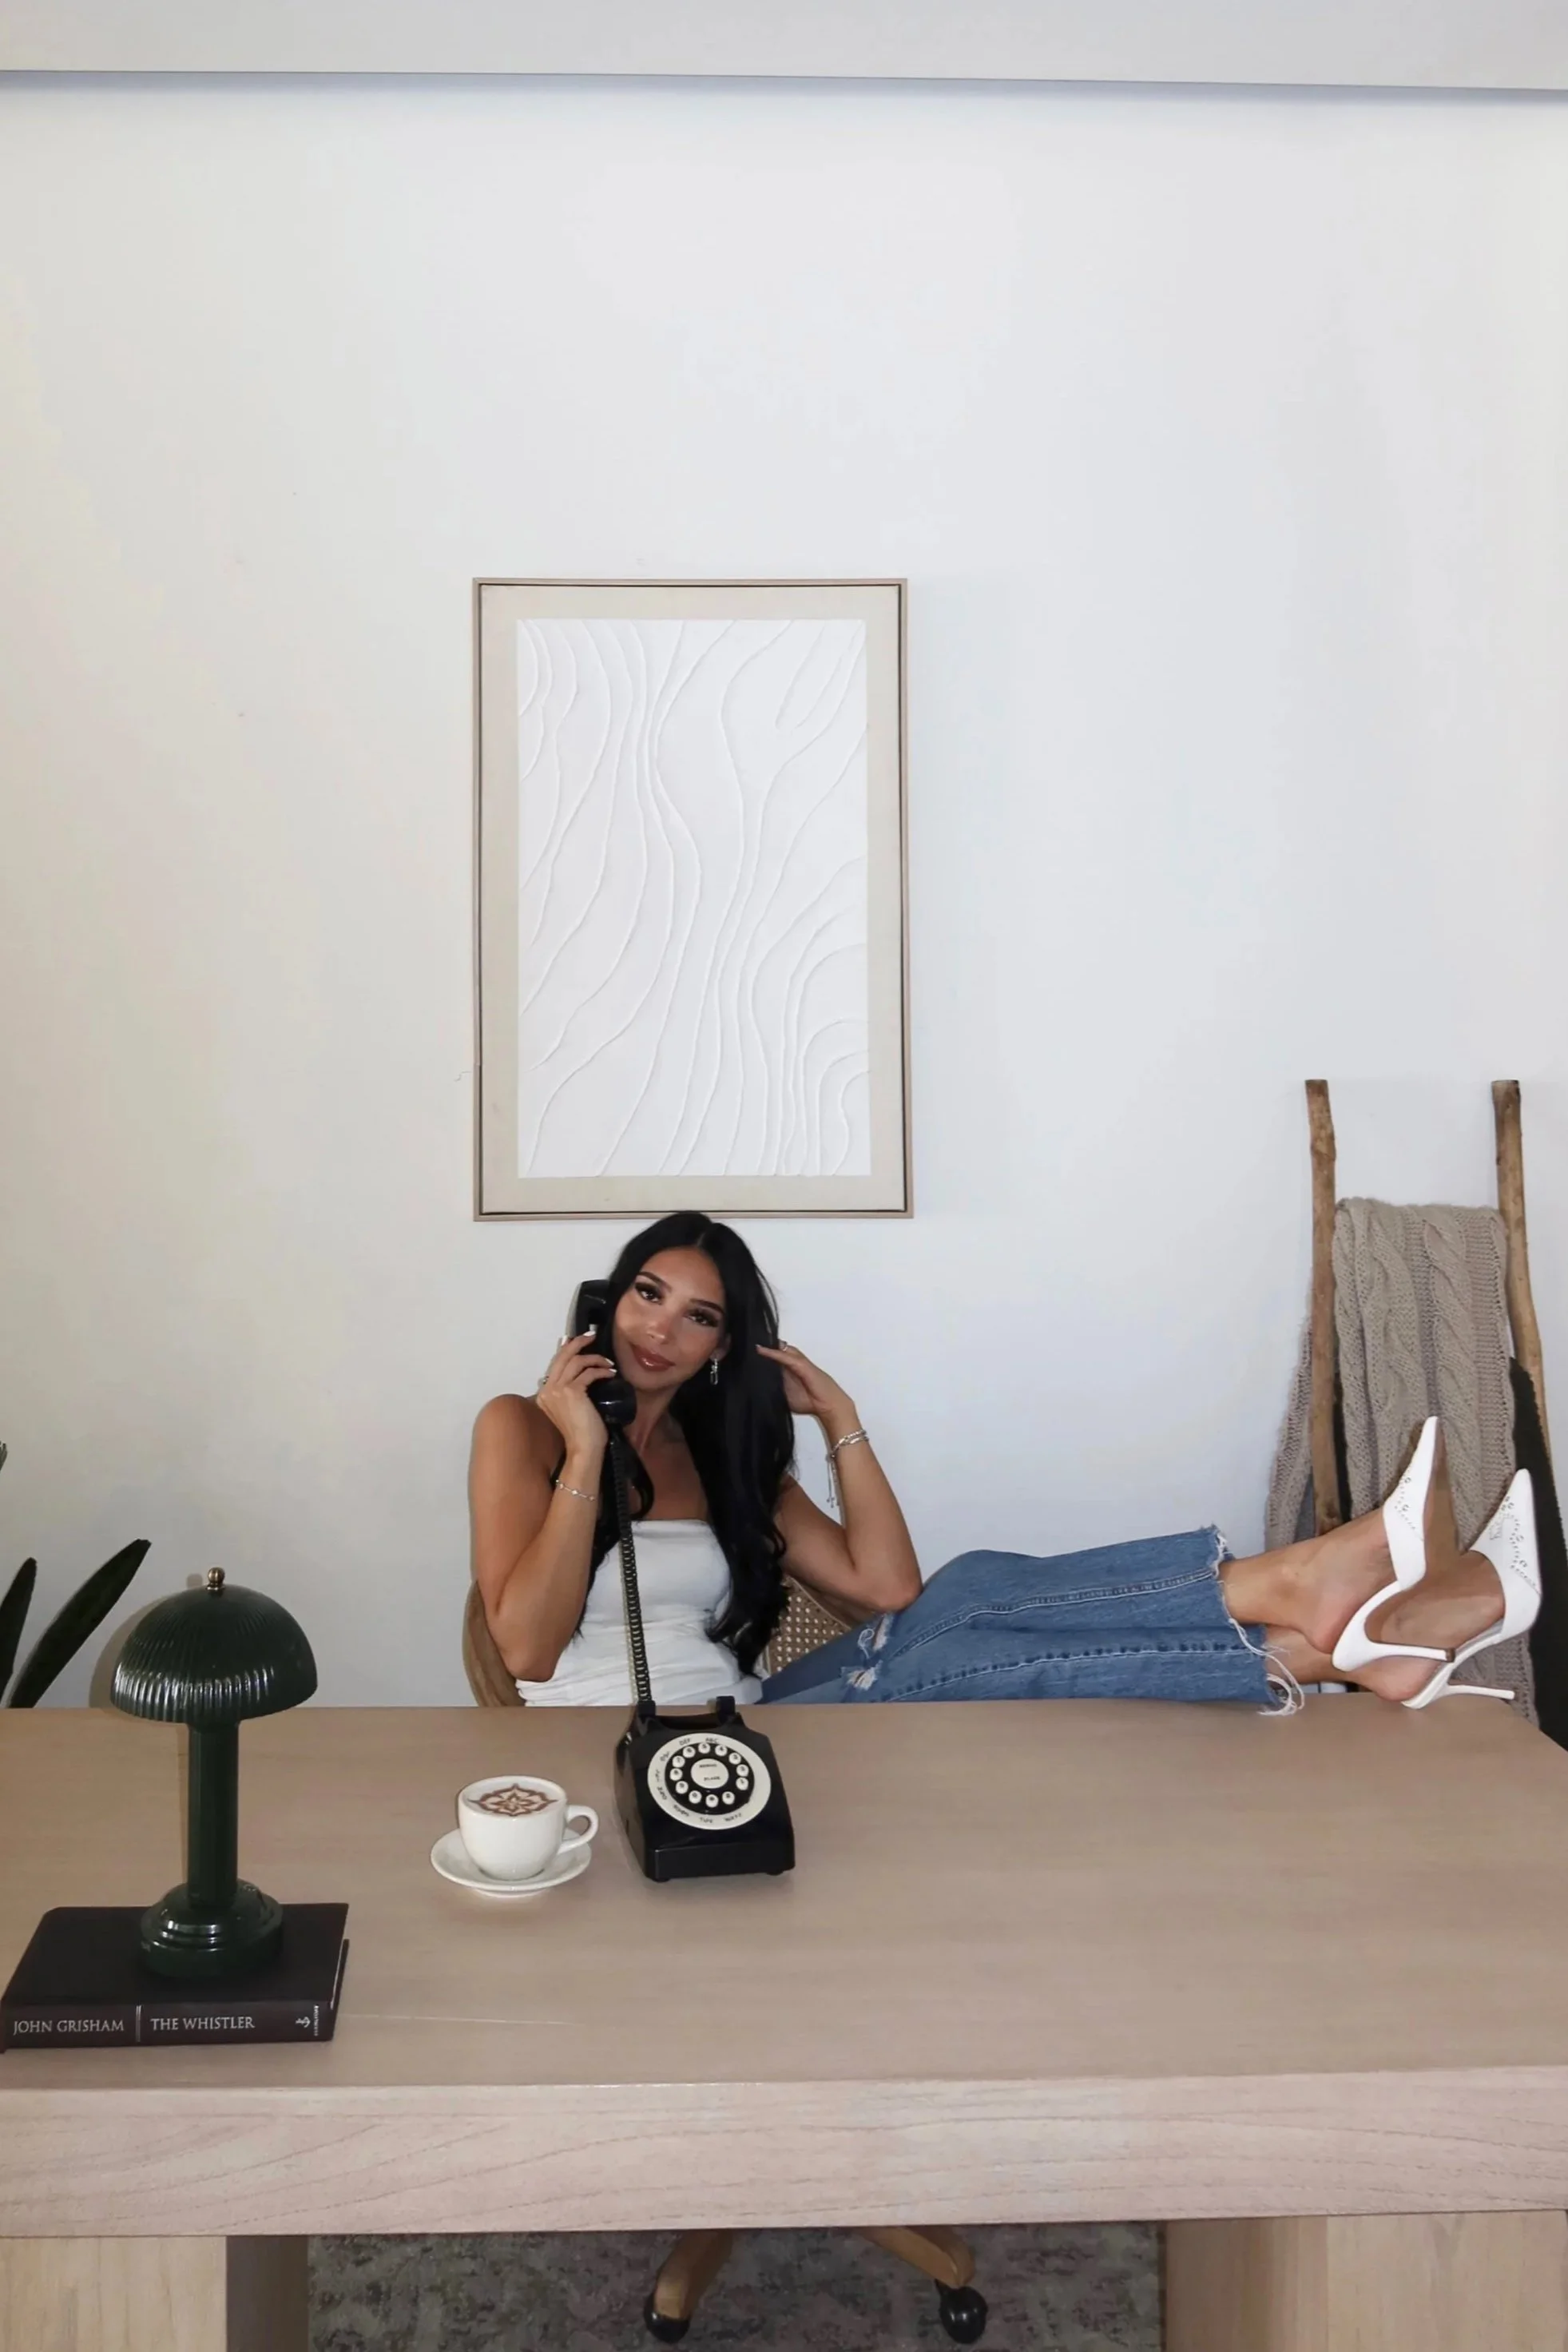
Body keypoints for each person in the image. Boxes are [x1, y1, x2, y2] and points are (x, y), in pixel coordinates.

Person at [470, 1214, 1539, 1718]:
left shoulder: (725, 1460)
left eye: (698, 1316)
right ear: (607, 1299)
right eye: (648, 1293)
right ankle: (1323, 1624)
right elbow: (523, 1647)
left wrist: (842, 1418)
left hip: (758, 1716)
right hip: (628, 1751)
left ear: (720, 1349)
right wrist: (588, 1450)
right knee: (952, 1659)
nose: (661, 1328)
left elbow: (890, 1589)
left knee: (969, 1589)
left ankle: (1335, 1637)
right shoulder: (522, 1429)